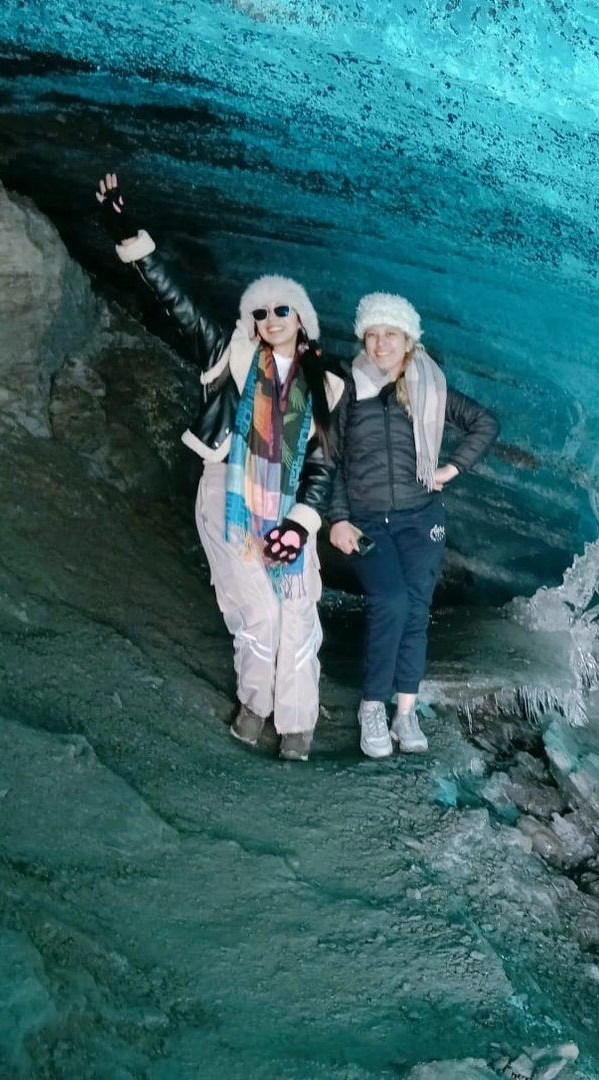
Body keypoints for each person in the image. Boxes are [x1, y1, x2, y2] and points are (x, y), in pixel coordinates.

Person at [93, 173, 345, 761]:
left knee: (298, 609)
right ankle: (256, 706)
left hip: (292, 511)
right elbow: (173, 297)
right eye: (261, 311)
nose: (271, 318)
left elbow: (321, 465)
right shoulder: (228, 359)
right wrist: (123, 229)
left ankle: (299, 722)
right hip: (225, 494)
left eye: (283, 309)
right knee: (256, 609)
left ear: (302, 320)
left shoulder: (325, 387)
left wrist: (301, 525)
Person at [328, 293, 499, 757]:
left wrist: (451, 469)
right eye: (373, 334)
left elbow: (484, 423)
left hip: (422, 519)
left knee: (415, 611)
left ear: (408, 340)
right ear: (363, 337)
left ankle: (405, 713)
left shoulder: (429, 385)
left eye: (391, 334)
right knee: (390, 600)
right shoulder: (344, 386)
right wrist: (338, 518)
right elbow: (330, 456)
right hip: (366, 519)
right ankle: (372, 708)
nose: (381, 344)